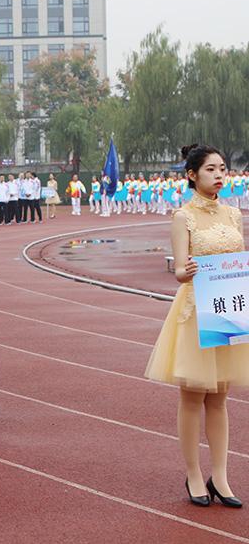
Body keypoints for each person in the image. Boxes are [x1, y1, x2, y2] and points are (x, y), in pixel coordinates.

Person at [145, 144, 249, 508]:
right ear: (192, 175)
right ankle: (193, 475)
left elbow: (238, 258)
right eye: (211, 169)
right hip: (194, 310)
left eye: (223, 168)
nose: (219, 175)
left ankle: (220, 476)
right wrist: (182, 271)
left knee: (220, 397)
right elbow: (177, 269)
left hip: (228, 306)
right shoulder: (182, 216)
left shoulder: (233, 215)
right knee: (193, 397)